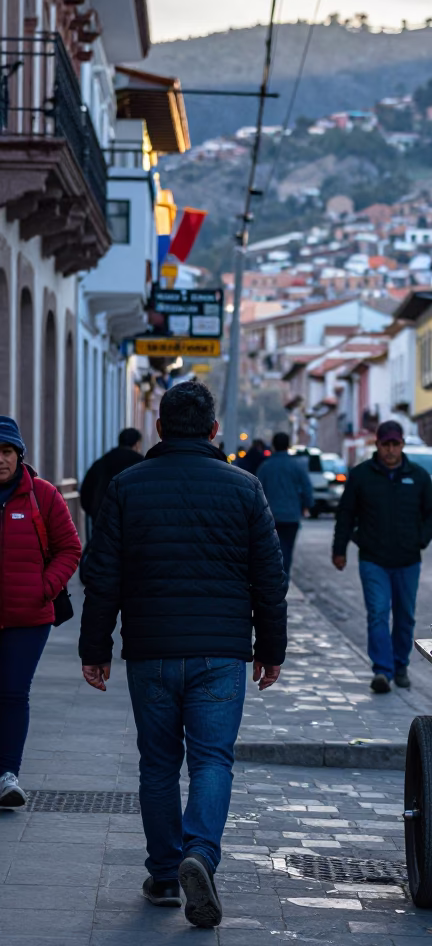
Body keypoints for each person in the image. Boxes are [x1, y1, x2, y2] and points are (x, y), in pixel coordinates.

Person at [80, 381, 288, 928]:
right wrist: (271, 649)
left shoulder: (127, 486)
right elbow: (270, 579)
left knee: (158, 764)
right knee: (212, 760)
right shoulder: (245, 488)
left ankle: (165, 873)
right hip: (220, 652)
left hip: (150, 650)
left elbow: (102, 577)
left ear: (159, 428)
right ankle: (201, 853)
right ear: (215, 430)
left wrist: (94, 647)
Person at [0, 416, 82, 809]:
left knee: (14, 692)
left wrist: (43, 588)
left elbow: (70, 548)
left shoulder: (43, 495)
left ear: (19, 455)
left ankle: (6, 775)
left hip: (28, 618)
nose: (1, 460)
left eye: (7, 452)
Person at [331, 420, 432, 694]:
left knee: (405, 617)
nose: (390, 450)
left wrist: (421, 539)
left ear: (402, 445)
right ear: (377, 445)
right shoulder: (361, 476)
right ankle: (382, 670)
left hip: (408, 560)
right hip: (373, 559)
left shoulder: (418, 476)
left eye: (395, 444)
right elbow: (346, 513)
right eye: (385, 444)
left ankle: (400, 665)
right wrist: (339, 549)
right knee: (378, 614)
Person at [257, 432, 314, 579]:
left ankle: (273, 580)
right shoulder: (297, 466)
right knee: (287, 550)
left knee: (271, 552)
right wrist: (308, 505)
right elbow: (307, 488)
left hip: (270, 517)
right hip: (291, 516)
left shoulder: (265, 467)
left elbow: (257, 491)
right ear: (288, 446)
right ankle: (284, 580)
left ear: (274, 446)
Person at [79, 428, 144, 526]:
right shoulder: (143, 465)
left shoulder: (101, 463)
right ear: (137, 444)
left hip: (102, 523)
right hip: (133, 526)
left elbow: (86, 494)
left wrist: (95, 513)